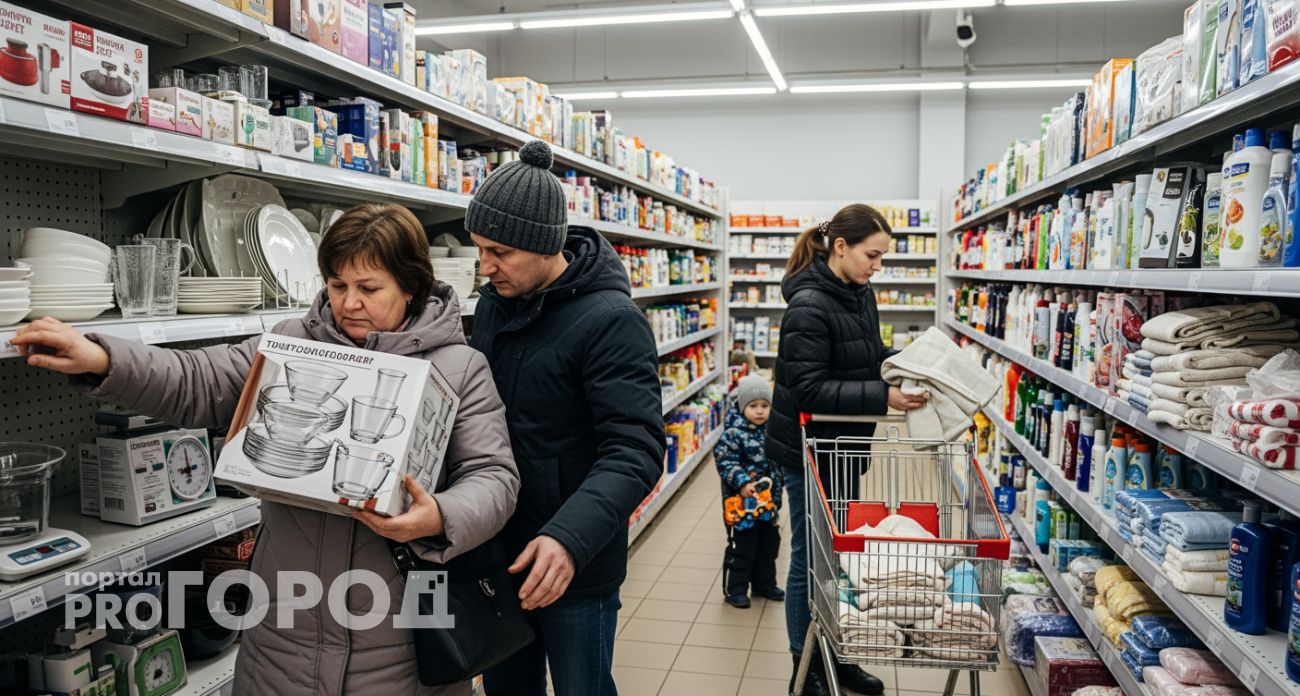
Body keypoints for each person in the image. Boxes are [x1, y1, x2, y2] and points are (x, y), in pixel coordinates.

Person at [11, 204, 520, 696]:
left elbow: (493, 476)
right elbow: (195, 379)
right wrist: (101, 358)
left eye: (369, 288)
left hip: (399, 650)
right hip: (282, 639)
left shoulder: (459, 367)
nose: (348, 303)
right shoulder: (291, 342)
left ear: (410, 287)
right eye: (337, 285)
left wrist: (438, 518)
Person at [464, 140, 665, 696]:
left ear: (545, 244)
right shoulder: (492, 304)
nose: (485, 266)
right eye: (479, 248)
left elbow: (636, 450)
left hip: (571, 567)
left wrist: (569, 539)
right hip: (498, 551)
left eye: (499, 251)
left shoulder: (611, 321)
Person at [765, 204, 928, 696]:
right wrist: (885, 396)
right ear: (841, 247)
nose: (877, 266)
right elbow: (809, 387)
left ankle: (835, 652)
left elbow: (867, 355)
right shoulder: (809, 305)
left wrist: (909, 363)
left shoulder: (860, 293)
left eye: (881, 258)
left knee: (836, 555)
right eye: (872, 255)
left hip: (847, 445)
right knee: (809, 559)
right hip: (810, 449)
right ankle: (806, 666)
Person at [714, 374, 784, 609]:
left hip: (768, 505)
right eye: (753, 406)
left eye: (765, 406)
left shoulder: (773, 431)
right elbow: (725, 461)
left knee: (768, 546)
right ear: (742, 406)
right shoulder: (733, 434)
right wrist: (742, 482)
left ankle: (764, 584)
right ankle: (735, 589)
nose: (760, 411)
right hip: (740, 505)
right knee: (742, 546)